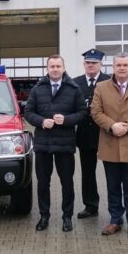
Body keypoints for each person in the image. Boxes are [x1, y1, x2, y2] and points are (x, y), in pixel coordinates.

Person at [91, 52, 128, 240]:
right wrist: (111, 125)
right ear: (113, 67)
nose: (122, 68)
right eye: (119, 65)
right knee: (113, 187)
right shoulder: (101, 87)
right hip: (109, 145)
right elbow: (95, 111)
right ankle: (115, 220)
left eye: (125, 65)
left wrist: (127, 125)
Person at [24, 55, 86, 232]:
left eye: (58, 66)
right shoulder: (38, 89)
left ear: (63, 68)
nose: (55, 69)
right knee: (43, 183)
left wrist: (66, 120)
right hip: (43, 144)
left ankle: (67, 217)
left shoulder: (74, 89)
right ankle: (44, 216)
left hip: (65, 145)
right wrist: (42, 121)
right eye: (52, 66)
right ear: (47, 69)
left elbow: (82, 113)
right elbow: (28, 112)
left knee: (67, 182)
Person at [73, 48, 110, 220]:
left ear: (101, 64)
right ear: (84, 64)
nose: (91, 66)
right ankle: (90, 205)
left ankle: (115, 207)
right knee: (88, 173)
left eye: (94, 63)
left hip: (106, 134)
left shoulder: (110, 81)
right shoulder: (75, 83)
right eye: (88, 63)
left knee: (112, 173)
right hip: (85, 135)